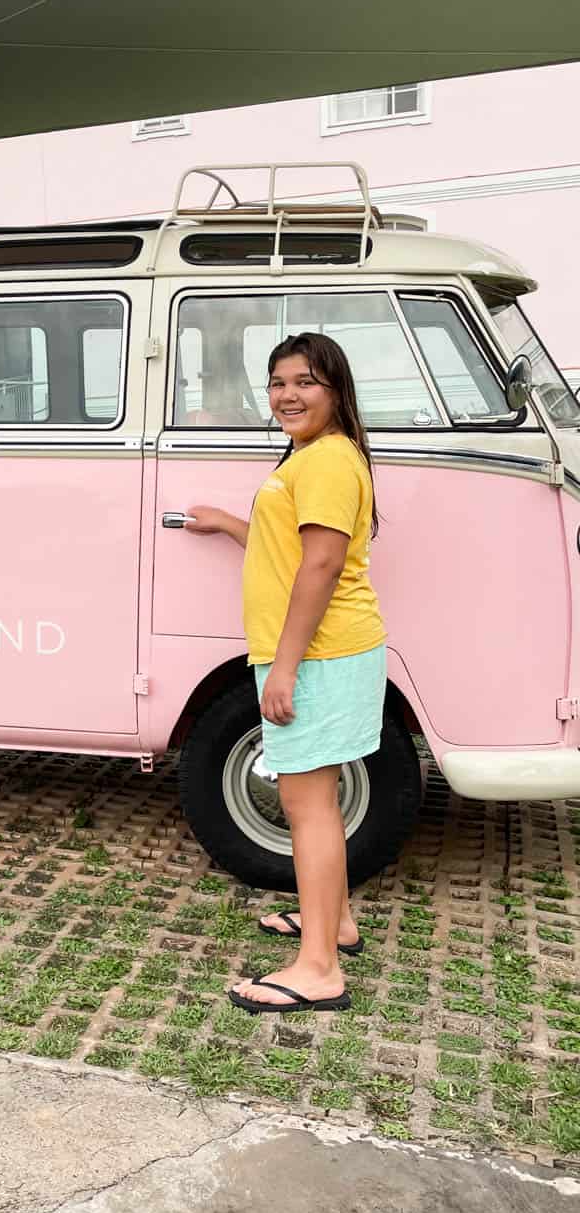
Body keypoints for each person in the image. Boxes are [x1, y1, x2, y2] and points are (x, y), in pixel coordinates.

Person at [184, 332, 386, 1014]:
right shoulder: (316, 455)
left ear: (336, 390)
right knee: (317, 800)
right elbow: (288, 547)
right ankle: (337, 922)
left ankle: (319, 968)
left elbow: (322, 566)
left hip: (319, 656)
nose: (288, 395)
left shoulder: (326, 460)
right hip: (327, 652)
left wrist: (286, 670)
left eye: (305, 382)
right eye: (277, 383)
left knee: (307, 806)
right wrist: (228, 524)